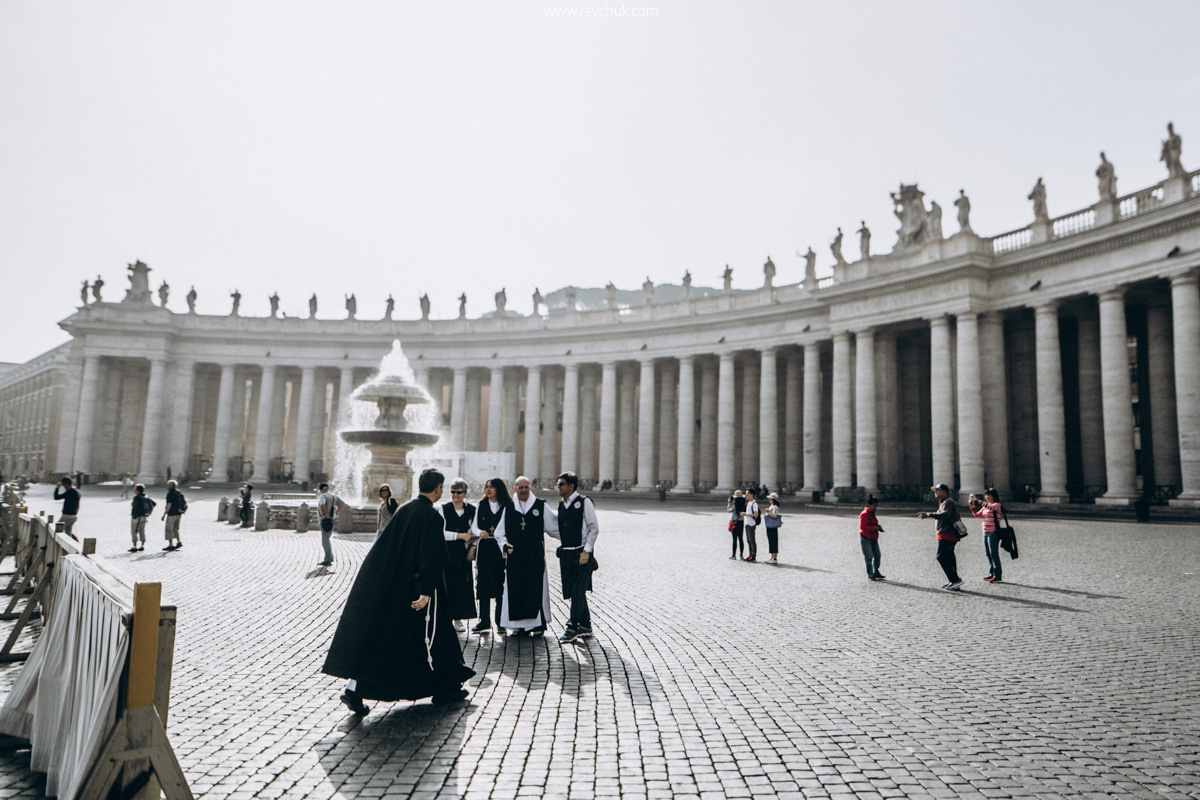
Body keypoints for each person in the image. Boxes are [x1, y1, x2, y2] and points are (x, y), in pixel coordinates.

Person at [322, 469, 475, 714]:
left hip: (397, 586)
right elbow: (433, 557)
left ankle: (444, 687)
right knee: (431, 638)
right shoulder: (432, 516)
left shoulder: (405, 509)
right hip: (422, 592)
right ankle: (357, 689)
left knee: (403, 640)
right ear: (438, 489)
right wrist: (425, 591)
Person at [494, 476, 558, 636]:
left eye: (526, 487)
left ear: (530, 488)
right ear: (514, 489)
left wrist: (573, 540)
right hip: (515, 557)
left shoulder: (540, 506)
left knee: (535, 589)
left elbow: (554, 528)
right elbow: (499, 533)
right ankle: (517, 626)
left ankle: (536, 626)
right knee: (515, 590)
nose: (523, 490)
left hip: (534, 557)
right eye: (520, 487)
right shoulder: (509, 508)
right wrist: (504, 544)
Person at [554, 472, 599, 644]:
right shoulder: (561, 504)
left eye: (561, 484)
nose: (558, 487)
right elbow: (560, 528)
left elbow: (593, 528)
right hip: (567, 553)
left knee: (578, 590)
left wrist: (587, 551)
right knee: (575, 590)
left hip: (582, 554)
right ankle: (586, 626)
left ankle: (572, 627)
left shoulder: (584, 502)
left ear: (571, 486)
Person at [470, 477, 510, 634]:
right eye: (486, 487)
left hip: (499, 548)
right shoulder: (482, 505)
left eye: (492, 487)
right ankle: (484, 620)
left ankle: (500, 621)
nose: (488, 489)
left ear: (498, 489)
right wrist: (480, 533)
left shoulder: (507, 505)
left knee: (500, 583)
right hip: (485, 547)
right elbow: (474, 526)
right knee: (483, 584)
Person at [441, 478, 477, 631]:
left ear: (465, 493)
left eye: (459, 492)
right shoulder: (444, 509)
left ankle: (458, 618)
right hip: (448, 551)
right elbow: (440, 533)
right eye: (453, 492)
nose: (455, 495)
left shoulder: (472, 509)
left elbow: (475, 530)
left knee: (463, 585)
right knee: (448, 584)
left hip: (464, 553)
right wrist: (459, 536)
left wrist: (473, 546)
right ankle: (446, 617)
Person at [918, 483, 964, 591]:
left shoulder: (948, 502)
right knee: (949, 557)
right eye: (935, 491)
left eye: (937, 490)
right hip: (945, 533)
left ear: (944, 491)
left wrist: (929, 514)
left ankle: (955, 580)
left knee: (941, 556)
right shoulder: (943, 502)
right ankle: (953, 581)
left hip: (948, 534)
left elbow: (945, 515)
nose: (935, 492)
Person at [969, 488, 1006, 583]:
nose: (986, 497)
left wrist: (978, 500)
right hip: (985, 532)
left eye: (988, 495)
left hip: (993, 532)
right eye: (986, 495)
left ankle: (997, 575)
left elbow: (991, 508)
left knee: (994, 553)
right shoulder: (985, 506)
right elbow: (977, 515)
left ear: (993, 496)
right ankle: (992, 573)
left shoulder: (996, 505)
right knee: (988, 553)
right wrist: (972, 507)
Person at [316, 483, 348, 567]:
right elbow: (342, 504)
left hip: (326, 520)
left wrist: (324, 514)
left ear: (320, 490)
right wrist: (336, 512)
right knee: (327, 538)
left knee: (325, 540)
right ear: (328, 488)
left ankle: (328, 560)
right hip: (332, 519)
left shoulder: (323, 496)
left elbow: (322, 504)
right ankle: (330, 557)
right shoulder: (333, 495)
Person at [859, 495, 884, 581]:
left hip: (873, 538)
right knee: (869, 557)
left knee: (877, 555)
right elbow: (862, 527)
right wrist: (875, 528)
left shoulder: (872, 513)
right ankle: (870, 573)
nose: (875, 507)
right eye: (874, 505)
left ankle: (876, 571)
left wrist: (878, 527)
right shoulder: (865, 514)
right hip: (866, 538)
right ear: (868, 505)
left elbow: (871, 524)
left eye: (876, 506)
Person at [129, 483, 154, 552]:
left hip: (136, 517)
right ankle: (142, 545)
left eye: (135, 489)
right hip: (144, 516)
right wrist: (149, 513)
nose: (134, 490)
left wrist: (134, 515)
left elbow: (135, 507)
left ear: (137, 490)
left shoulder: (136, 498)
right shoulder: (146, 497)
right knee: (142, 531)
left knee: (134, 531)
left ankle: (134, 546)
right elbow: (153, 504)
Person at [162, 479, 186, 550]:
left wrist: (164, 514)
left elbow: (169, 505)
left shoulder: (170, 494)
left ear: (170, 486)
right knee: (176, 528)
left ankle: (171, 544)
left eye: (167, 485)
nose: (166, 486)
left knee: (169, 529)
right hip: (179, 513)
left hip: (172, 513)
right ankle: (178, 542)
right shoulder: (179, 493)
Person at [741, 490, 760, 562]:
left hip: (751, 523)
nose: (746, 495)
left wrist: (745, 514)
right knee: (748, 540)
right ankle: (750, 555)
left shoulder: (754, 503)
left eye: (747, 494)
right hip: (747, 523)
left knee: (752, 540)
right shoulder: (749, 503)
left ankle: (753, 556)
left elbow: (756, 514)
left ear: (752, 494)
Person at [763, 492, 782, 565]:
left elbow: (775, 516)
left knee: (773, 540)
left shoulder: (775, 507)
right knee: (771, 540)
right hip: (770, 525)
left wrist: (768, 512)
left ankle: (774, 558)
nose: (769, 499)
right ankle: (772, 557)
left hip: (772, 525)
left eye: (770, 498)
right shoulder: (772, 506)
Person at [727, 490, 746, 560]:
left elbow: (728, 510)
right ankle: (741, 555)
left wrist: (729, 503)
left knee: (734, 539)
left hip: (735, 521)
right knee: (741, 538)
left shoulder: (735, 505)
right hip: (741, 522)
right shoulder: (744, 504)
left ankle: (733, 555)